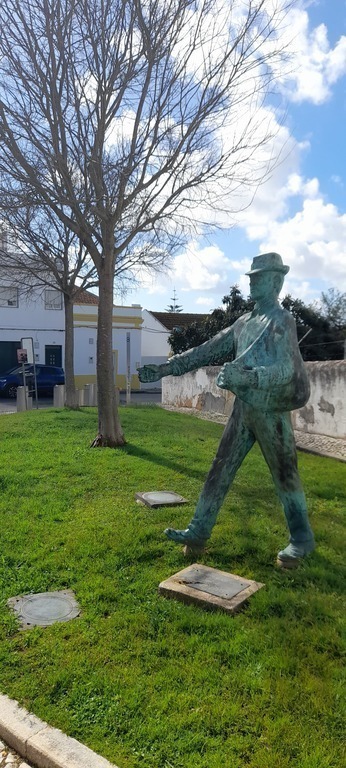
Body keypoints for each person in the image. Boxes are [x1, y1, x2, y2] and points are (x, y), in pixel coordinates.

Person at [139, 253, 315, 568]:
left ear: (276, 281)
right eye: (251, 276)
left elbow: (287, 367)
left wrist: (250, 377)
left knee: (285, 476)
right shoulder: (243, 323)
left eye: (259, 277)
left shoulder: (282, 320)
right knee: (219, 470)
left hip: (270, 410)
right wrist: (164, 369)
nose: (252, 281)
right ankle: (198, 531)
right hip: (243, 409)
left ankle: (301, 539)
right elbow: (205, 351)